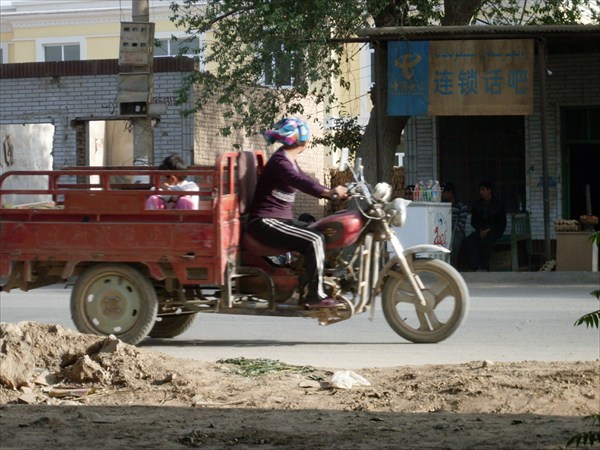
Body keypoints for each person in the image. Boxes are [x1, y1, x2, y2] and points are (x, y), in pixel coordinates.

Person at [247, 117, 348, 308]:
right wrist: (328, 193)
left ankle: (309, 283)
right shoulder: (281, 161)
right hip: (265, 222)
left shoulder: (288, 159)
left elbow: (305, 179)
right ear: (305, 142)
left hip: (278, 221)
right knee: (314, 239)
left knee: (324, 231)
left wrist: (333, 193)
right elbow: (300, 182)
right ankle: (315, 296)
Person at [466, 180, 506, 271]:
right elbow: (473, 221)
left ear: (489, 190)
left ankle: (484, 266)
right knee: (470, 239)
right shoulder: (477, 204)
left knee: (488, 241)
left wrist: (489, 230)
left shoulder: (498, 204)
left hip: (494, 231)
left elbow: (502, 222)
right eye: (480, 190)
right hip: (481, 230)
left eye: (483, 190)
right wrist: (480, 230)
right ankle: (476, 266)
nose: (481, 192)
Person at [441, 182, 468, 269]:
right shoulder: (441, 205)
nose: (442, 194)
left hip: (457, 231)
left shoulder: (461, 206)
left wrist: (452, 230)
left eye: (444, 192)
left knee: (455, 245)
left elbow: (462, 222)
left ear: (450, 192)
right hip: (444, 230)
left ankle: (453, 266)